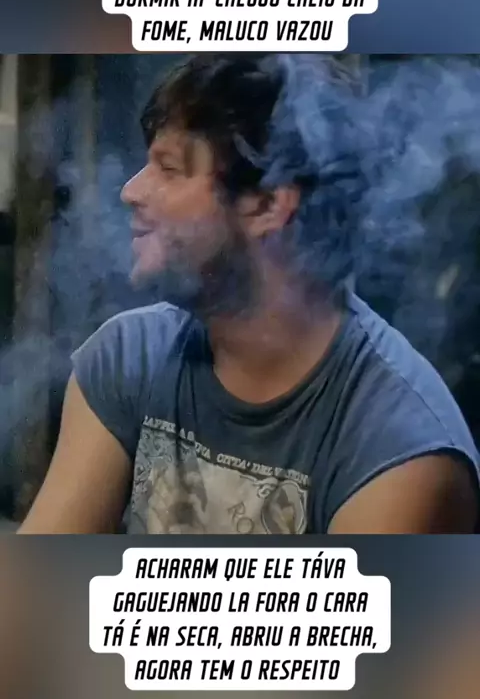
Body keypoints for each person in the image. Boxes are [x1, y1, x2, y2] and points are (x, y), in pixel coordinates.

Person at [18, 54, 480, 534]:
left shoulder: (397, 447)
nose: (131, 191)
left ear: (267, 204)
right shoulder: (129, 358)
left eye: (169, 169)